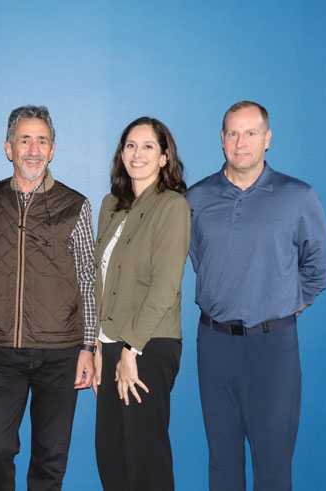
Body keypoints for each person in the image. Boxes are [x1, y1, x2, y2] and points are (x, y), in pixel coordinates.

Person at [188, 101, 326, 490]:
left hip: (273, 347)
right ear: (222, 140)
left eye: (251, 133)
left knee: (273, 464)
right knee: (222, 463)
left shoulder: (298, 196)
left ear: (267, 139)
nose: (241, 142)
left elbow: (316, 270)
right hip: (214, 344)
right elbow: (201, 260)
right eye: (233, 133)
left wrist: (280, 306)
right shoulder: (196, 198)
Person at [0, 105, 96, 491]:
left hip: (61, 351)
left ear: (52, 150)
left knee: (50, 456)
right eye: (24, 140)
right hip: (1, 350)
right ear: (8, 148)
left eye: (42, 141)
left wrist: (88, 346)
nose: (33, 149)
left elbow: (88, 275)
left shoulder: (75, 204)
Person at [92, 117, 190, 491]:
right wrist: (99, 345)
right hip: (112, 343)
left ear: (165, 157)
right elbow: (99, 280)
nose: (138, 153)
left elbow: (165, 286)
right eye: (130, 145)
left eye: (149, 146)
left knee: (146, 458)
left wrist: (132, 351)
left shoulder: (172, 206)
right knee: (111, 454)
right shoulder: (110, 205)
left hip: (148, 345)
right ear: (121, 153)